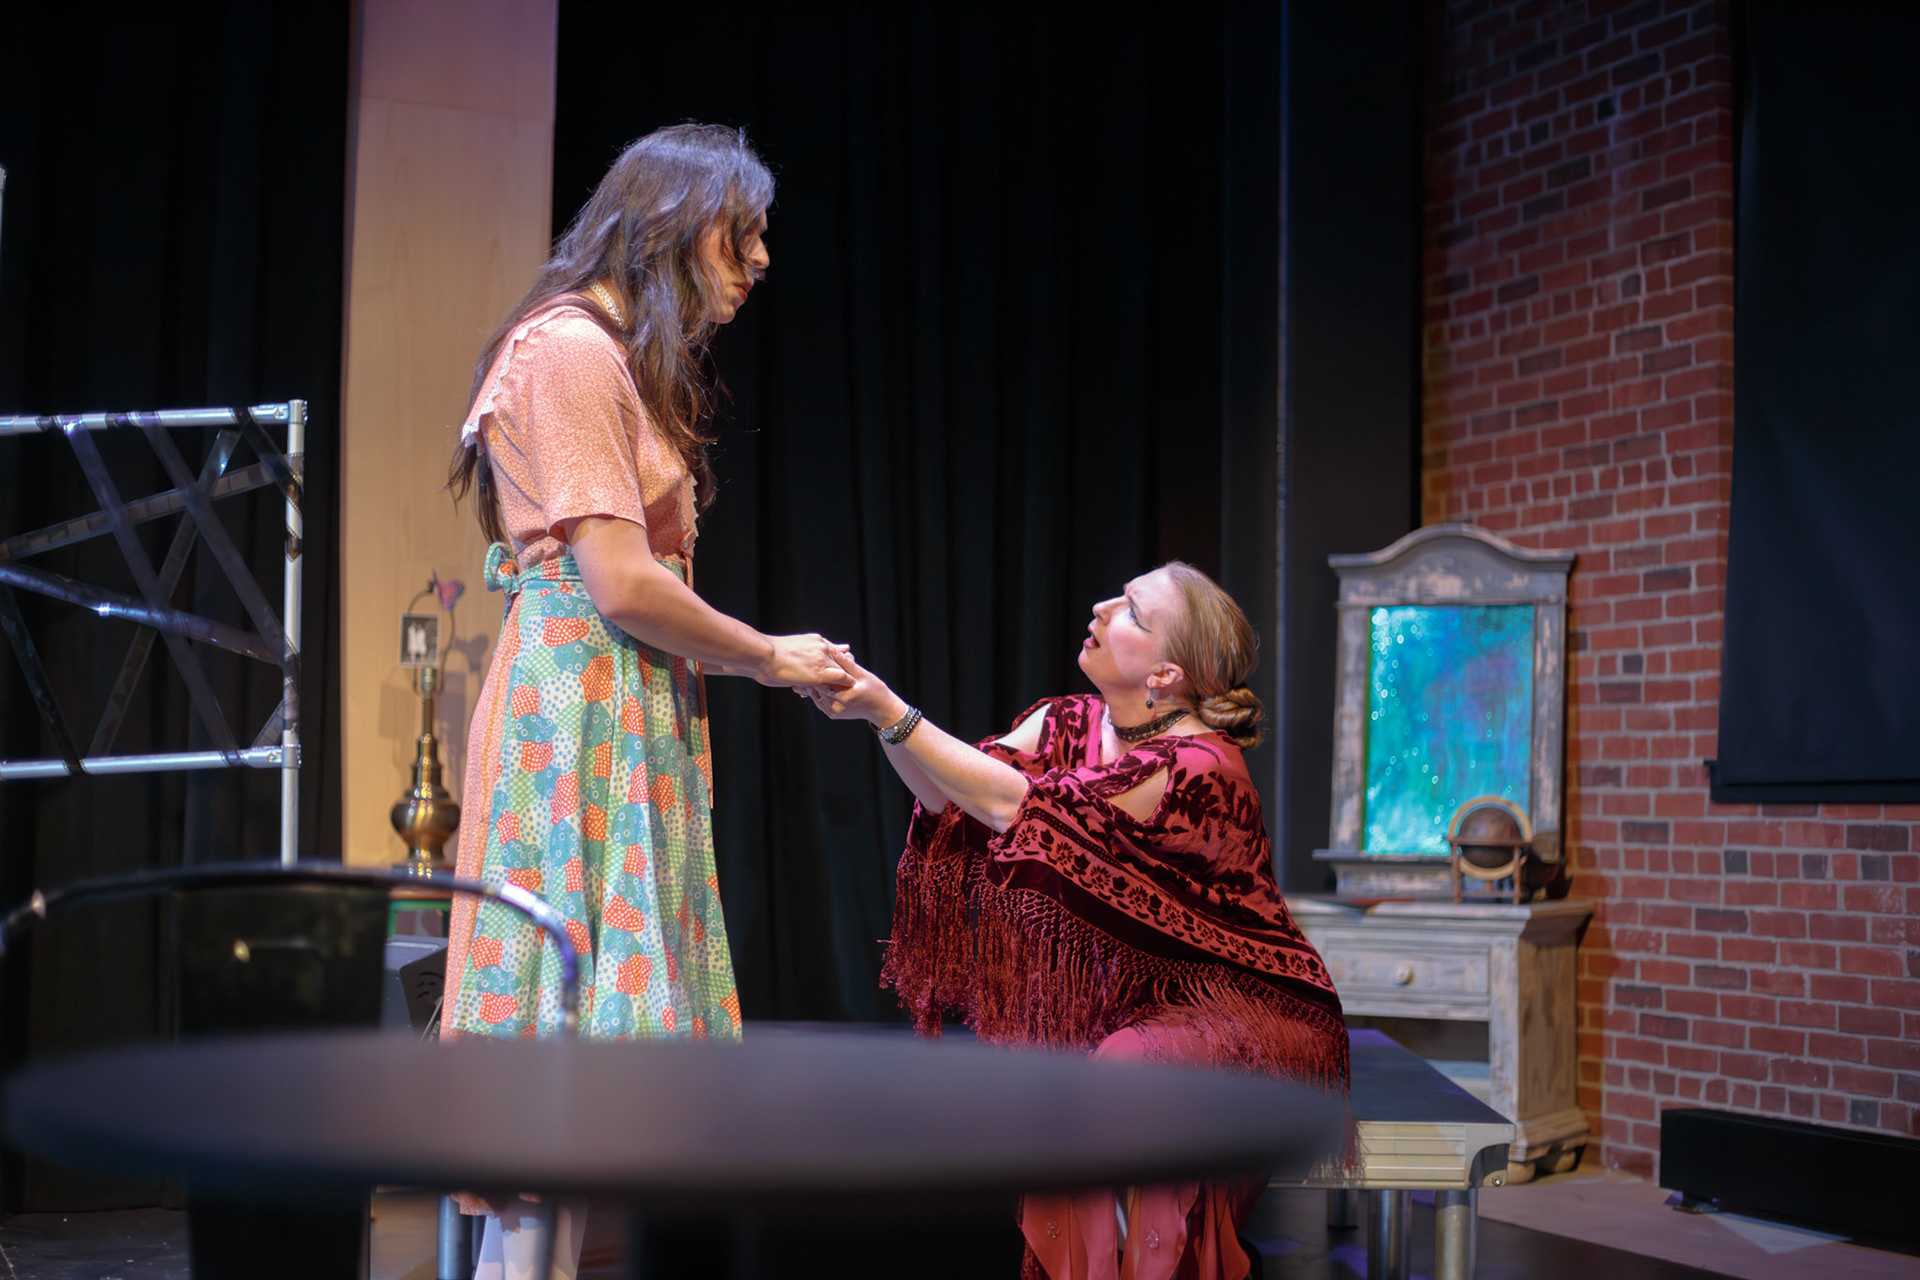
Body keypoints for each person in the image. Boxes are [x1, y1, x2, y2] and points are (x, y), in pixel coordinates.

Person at [440, 123, 850, 1279]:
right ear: (669, 221)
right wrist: (770, 655)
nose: (759, 259)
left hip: (623, 706)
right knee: (554, 1047)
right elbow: (619, 582)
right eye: (741, 231)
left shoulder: (611, 359)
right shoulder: (569, 350)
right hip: (579, 714)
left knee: (581, 1071)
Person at [804, 562, 1347, 1280]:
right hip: (1127, 1000)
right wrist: (877, 715)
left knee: (1123, 1071)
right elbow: (949, 791)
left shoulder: (1199, 763)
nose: (1100, 607)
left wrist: (889, 709)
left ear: (1165, 675)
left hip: (1236, 1000)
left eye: (1131, 611)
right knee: (1061, 1079)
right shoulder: (1069, 720)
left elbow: (1015, 806)